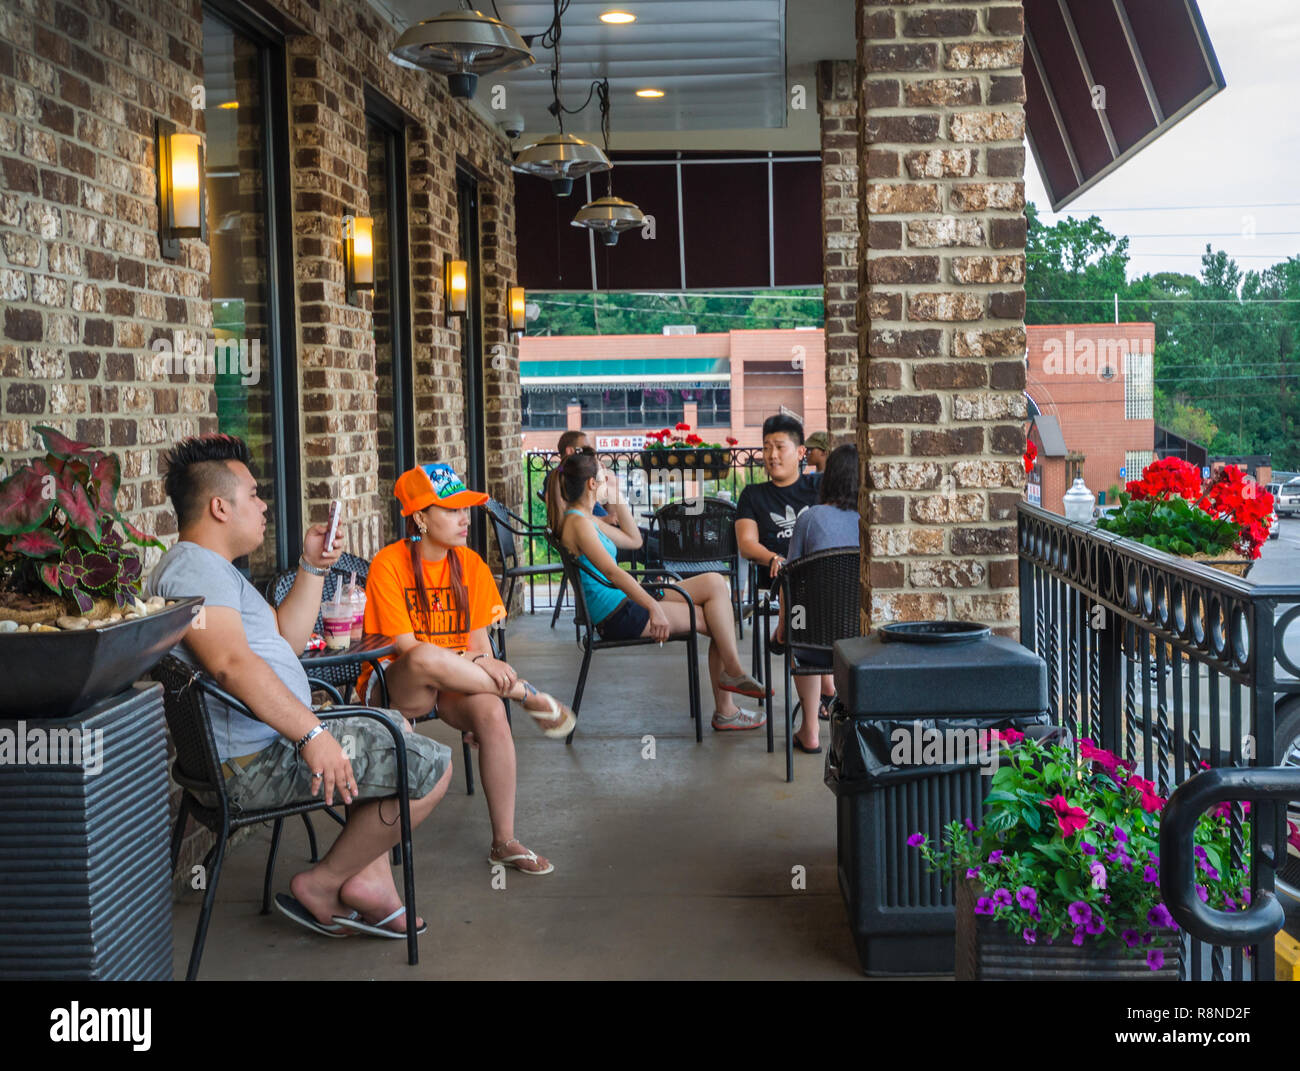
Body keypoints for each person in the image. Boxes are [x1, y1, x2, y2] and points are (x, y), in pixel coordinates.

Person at [149, 434, 453, 940]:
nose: (264, 504)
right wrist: (313, 736)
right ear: (220, 507)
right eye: (252, 495)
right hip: (250, 767)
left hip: (258, 748)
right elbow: (229, 665)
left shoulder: (212, 569)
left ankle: (369, 882)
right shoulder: (192, 570)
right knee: (431, 767)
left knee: (391, 726)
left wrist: (314, 566)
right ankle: (325, 882)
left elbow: (286, 638)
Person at [359, 462, 577, 876]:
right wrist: (486, 670)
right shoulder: (388, 564)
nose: (464, 518)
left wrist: (476, 665)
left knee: (491, 712)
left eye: (466, 509)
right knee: (424, 656)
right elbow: (407, 650)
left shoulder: (470, 565)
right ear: (420, 517)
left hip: (455, 683)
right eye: (451, 509)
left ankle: (505, 842)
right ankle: (524, 694)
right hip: (399, 687)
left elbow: (478, 648)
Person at [549, 450, 770, 731]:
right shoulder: (579, 524)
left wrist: (616, 494)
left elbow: (634, 539)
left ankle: (733, 673)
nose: (608, 474)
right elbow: (613, 573)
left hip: (627, 600)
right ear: (592, 483)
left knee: (715, 582)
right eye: (603, 471)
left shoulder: (584, 519)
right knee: (715, 619)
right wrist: (654, 608)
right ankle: (728, 703)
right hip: (619, 614)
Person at [784, 443, 860, 755]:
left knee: (801, 630)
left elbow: (790, 578)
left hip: (815, 646)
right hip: (862, 644)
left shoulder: (810, 518)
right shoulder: (873, 521)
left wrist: (783, 625)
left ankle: (810, 731)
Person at [734, 414, 822, 647]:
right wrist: (774, 558)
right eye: (766, 448)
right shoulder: (752, 495)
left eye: (780, 447)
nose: (772, 455)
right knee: (793, 581)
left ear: (801, 452)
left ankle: (794, 637)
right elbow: (746, 544)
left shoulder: (818, 487)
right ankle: (796, 638)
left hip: (819, 571)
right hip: (777, 575)